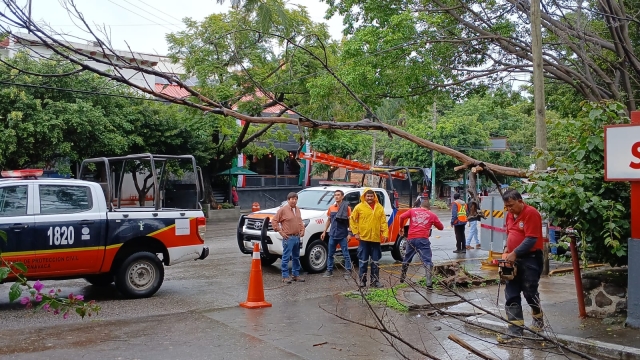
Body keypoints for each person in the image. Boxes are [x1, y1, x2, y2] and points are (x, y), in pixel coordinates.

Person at [497, 189, 544, 343]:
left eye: (511, 205)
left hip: (530, 259)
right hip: (512, 259)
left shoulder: (531, 213)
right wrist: (506, 250)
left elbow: (531, 239)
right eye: (507, 207)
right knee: (511, 294)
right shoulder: (510, 216)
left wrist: (514, 253)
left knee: (530, 292)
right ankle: (515, 332)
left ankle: (538, 318)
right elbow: (509, 233)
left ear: (520, 201)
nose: (509, 209)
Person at [399, 199, 444, 289]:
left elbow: (401, 217)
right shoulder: (432, 215)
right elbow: (441, 227)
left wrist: (401, 228)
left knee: (407, 258)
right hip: (423, 239)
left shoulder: (412, 211)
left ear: (421, 206)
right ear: (429, 208)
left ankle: (402, 277)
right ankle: (429, 282)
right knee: (427, 260)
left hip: (411, 239)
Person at [350, 188, 389, 288]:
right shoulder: (359, 207)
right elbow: (352, 220)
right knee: (363, 261)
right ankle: (362, 281)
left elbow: (383, 222)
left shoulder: (379, 207)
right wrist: (355, 233)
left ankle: (375, 281)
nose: (370, 198)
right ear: (364, 196)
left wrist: (385, 234)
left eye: (371, 196)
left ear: (374, 196)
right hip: (364, 239)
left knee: (375, 261)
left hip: (375, 239)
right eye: (368, 196)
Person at [271, 192, 306, 284]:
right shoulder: (283, 210)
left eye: (295, 199)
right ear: (288, 200)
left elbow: (300, 221)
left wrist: (302, 230)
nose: (294, 201)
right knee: (286, 257)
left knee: (296, 257)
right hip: (288, 237)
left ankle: (295, 275)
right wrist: (280, 231)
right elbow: (274, 221)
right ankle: (285, 276)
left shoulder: (297, 209)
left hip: (297, 237)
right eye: (292, 199)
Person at [321, 190, 353, 278]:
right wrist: (324, 231)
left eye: (338, 195)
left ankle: (348, 271)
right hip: (332, 234)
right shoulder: (331, 208)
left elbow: (350, 222)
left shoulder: (347, 208)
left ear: (342, 197)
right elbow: (328, 220)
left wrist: (350, 233)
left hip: (343, 235)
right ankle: (329, 270)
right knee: (330, 254)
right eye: (335, 195)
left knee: (346, 254)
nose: (336, 196)